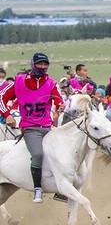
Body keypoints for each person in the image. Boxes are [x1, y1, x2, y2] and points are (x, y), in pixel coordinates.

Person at [1, 53, 64, 203]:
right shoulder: (19, 81)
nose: (42, 67)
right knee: (37, 154)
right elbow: (2, 97)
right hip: (30, 128)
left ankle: (62, 188)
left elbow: (58, 99)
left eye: (45, 64)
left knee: (63, 152)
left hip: (47, 126)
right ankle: (37, 188)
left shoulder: (51, 83)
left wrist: (60, 106)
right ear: (32, 64)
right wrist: (7, 114)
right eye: (39, 64)